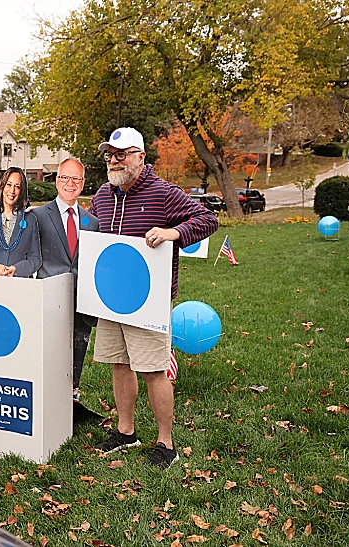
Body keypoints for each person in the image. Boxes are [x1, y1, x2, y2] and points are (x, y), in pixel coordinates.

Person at [88, 127, 218, 468]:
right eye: (109, 155)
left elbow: (207, 219)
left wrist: (173, 232)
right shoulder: (102, 196)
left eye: (121, 154)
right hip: (110, 300)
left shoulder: (162, 193)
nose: (114, 161)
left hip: (148, 301)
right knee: (119, 364)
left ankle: (166, 443)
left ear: (140, 157)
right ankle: (126, 432)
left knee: (153, 370)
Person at [31, 158, 100, 422]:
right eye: (65, 178)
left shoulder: (91, 222)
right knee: (50, 350)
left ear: (83, 184)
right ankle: (48, 403)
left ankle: (73, 400)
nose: (70, 184)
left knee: (77, 349)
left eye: (76, 179)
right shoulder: (38, 216)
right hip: (50, 298)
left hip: (81, 299)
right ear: (56, 181)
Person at [0, 167, 41, 278]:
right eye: (9, 185)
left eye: (17, 187)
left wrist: (17, 269)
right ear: (2, 186)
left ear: (22, 191)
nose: (12, 191)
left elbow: (36, 259)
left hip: (20, 283)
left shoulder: (30, 220)